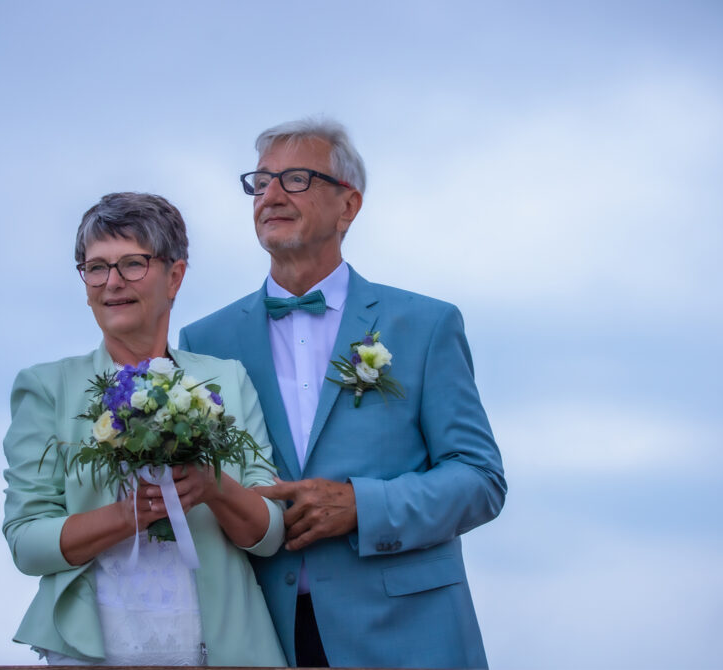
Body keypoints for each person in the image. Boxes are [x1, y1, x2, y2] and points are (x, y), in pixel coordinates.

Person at [179, 118, 507, 668]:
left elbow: (480, 479)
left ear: (348, 205)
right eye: (260, 183)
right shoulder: (203, 342)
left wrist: (362, 505)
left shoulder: (425, 325)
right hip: (262, 637)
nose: (272, 196)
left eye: (297, 179)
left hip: (408, 635)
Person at [2, 192, 286, 666]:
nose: (111, 283)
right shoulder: (46, 388)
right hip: (95, 650)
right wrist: (129, 515)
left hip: (225, 649)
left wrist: (212, 486)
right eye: (96, 267)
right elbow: (27, 543)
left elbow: (271, 531)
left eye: (132, 264)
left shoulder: (227, 381)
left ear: (174, 276)